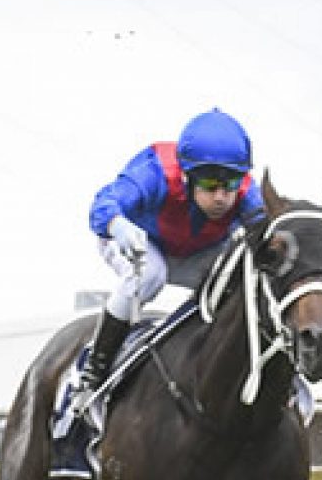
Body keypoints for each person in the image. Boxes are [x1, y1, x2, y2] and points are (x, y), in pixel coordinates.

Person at [71, 109, 265, 400]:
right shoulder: (155, 171)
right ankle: (92, 372)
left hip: (197, 254)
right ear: (187, 176)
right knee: (152, 274)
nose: (222, 198)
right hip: (138, 243)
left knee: (241, 278)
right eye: (211, 185)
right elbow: (103, 204)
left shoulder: (248, 193)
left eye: (231, 185)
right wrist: (118, 225)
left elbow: (266, 238)